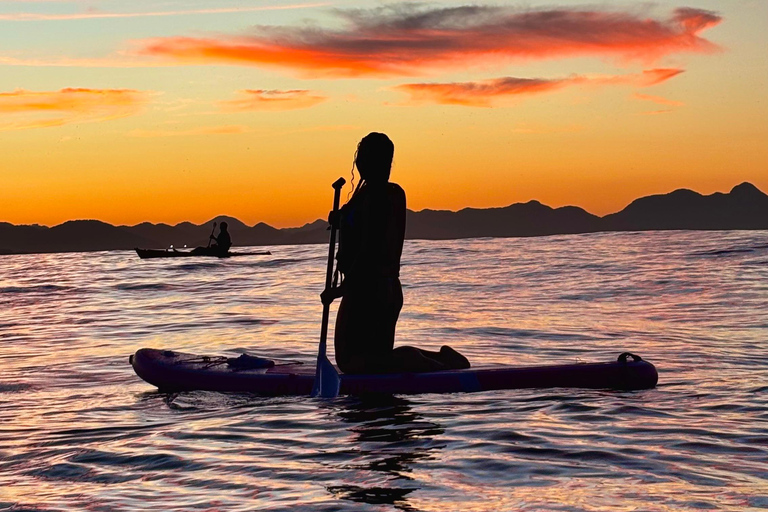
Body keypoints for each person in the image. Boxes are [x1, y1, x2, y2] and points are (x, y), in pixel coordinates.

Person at [321, 132, 470, 374]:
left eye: (362, 156)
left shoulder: (375, 197)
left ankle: (425, 363)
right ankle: (444, 360)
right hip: (387, 289)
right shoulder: (388, 193)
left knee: (350, 362)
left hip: (368, 291)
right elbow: (362, 224)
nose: (358, 162)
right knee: (377, 357)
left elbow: (369, 249)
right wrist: (341, 218)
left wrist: (339, 290)